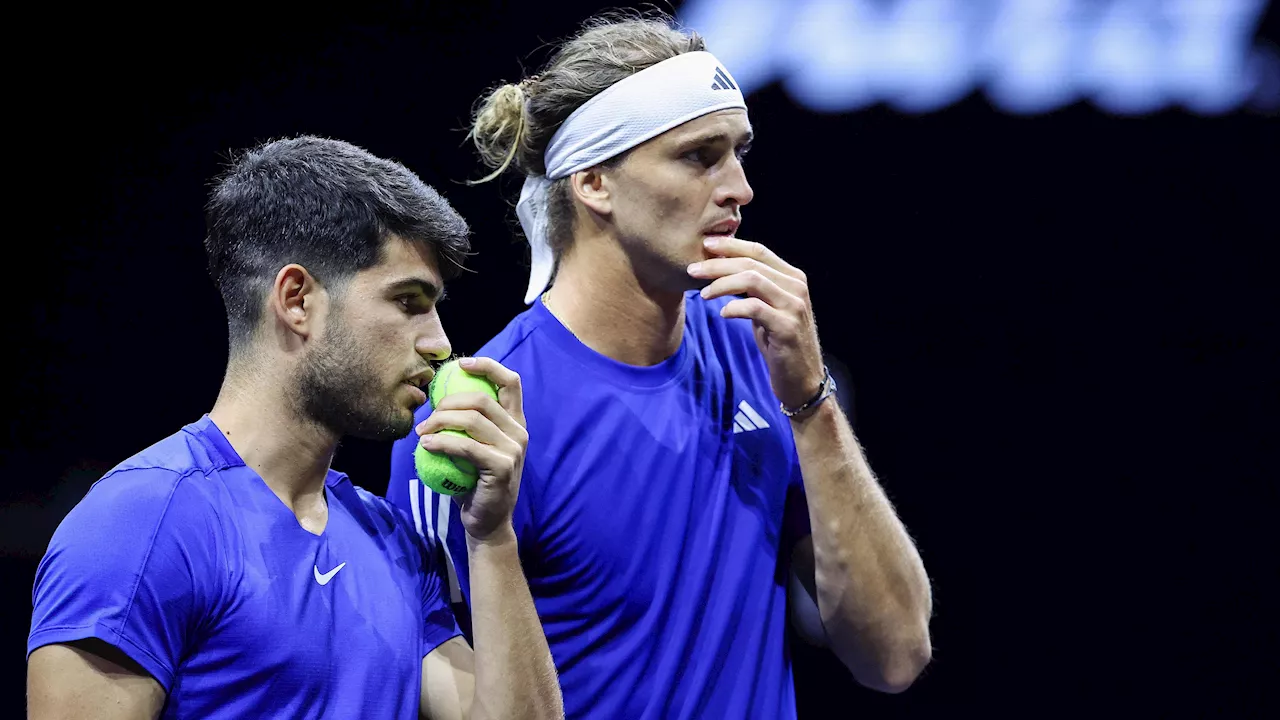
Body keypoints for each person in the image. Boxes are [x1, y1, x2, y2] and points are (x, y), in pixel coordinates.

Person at [388, 10, 934, 718]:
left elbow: (894, 653)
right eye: (700, 157)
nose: (740, 189)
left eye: (739, 153)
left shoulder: (760, 353)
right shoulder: (477, 416)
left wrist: (812, 400)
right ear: (594, 185)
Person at [27, 136, 563, 720]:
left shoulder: (390, 539)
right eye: (409, 301)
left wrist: (491, 536)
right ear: (297, 299)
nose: (440, 344)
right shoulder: (140, 524)